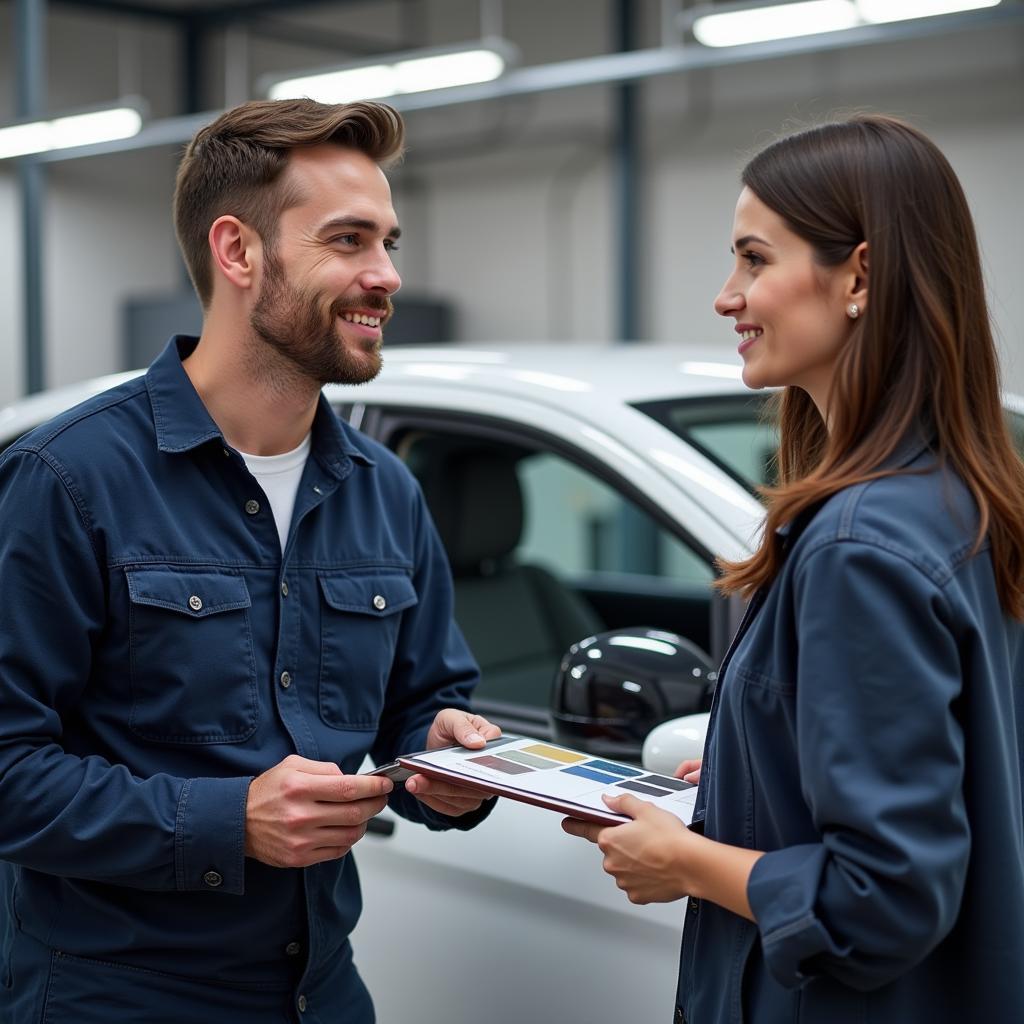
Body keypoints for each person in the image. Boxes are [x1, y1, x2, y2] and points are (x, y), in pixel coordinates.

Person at [0, 98, 501, 1024]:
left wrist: (447, 762)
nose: (385, 275)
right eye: (348, 240)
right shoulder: (64, 480)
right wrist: (229, 822)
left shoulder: (385, 491)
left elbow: (421, 707)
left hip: (322, 993)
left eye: (389, 241)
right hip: (116, 999)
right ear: (237, 252)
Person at [564, 114, 1024, 1023]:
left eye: (754, 259)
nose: (726, 297)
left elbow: (882, 901)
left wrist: (685, 861)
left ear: (858, 275)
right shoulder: (965, 502)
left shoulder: (861, 546)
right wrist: (748, 783)